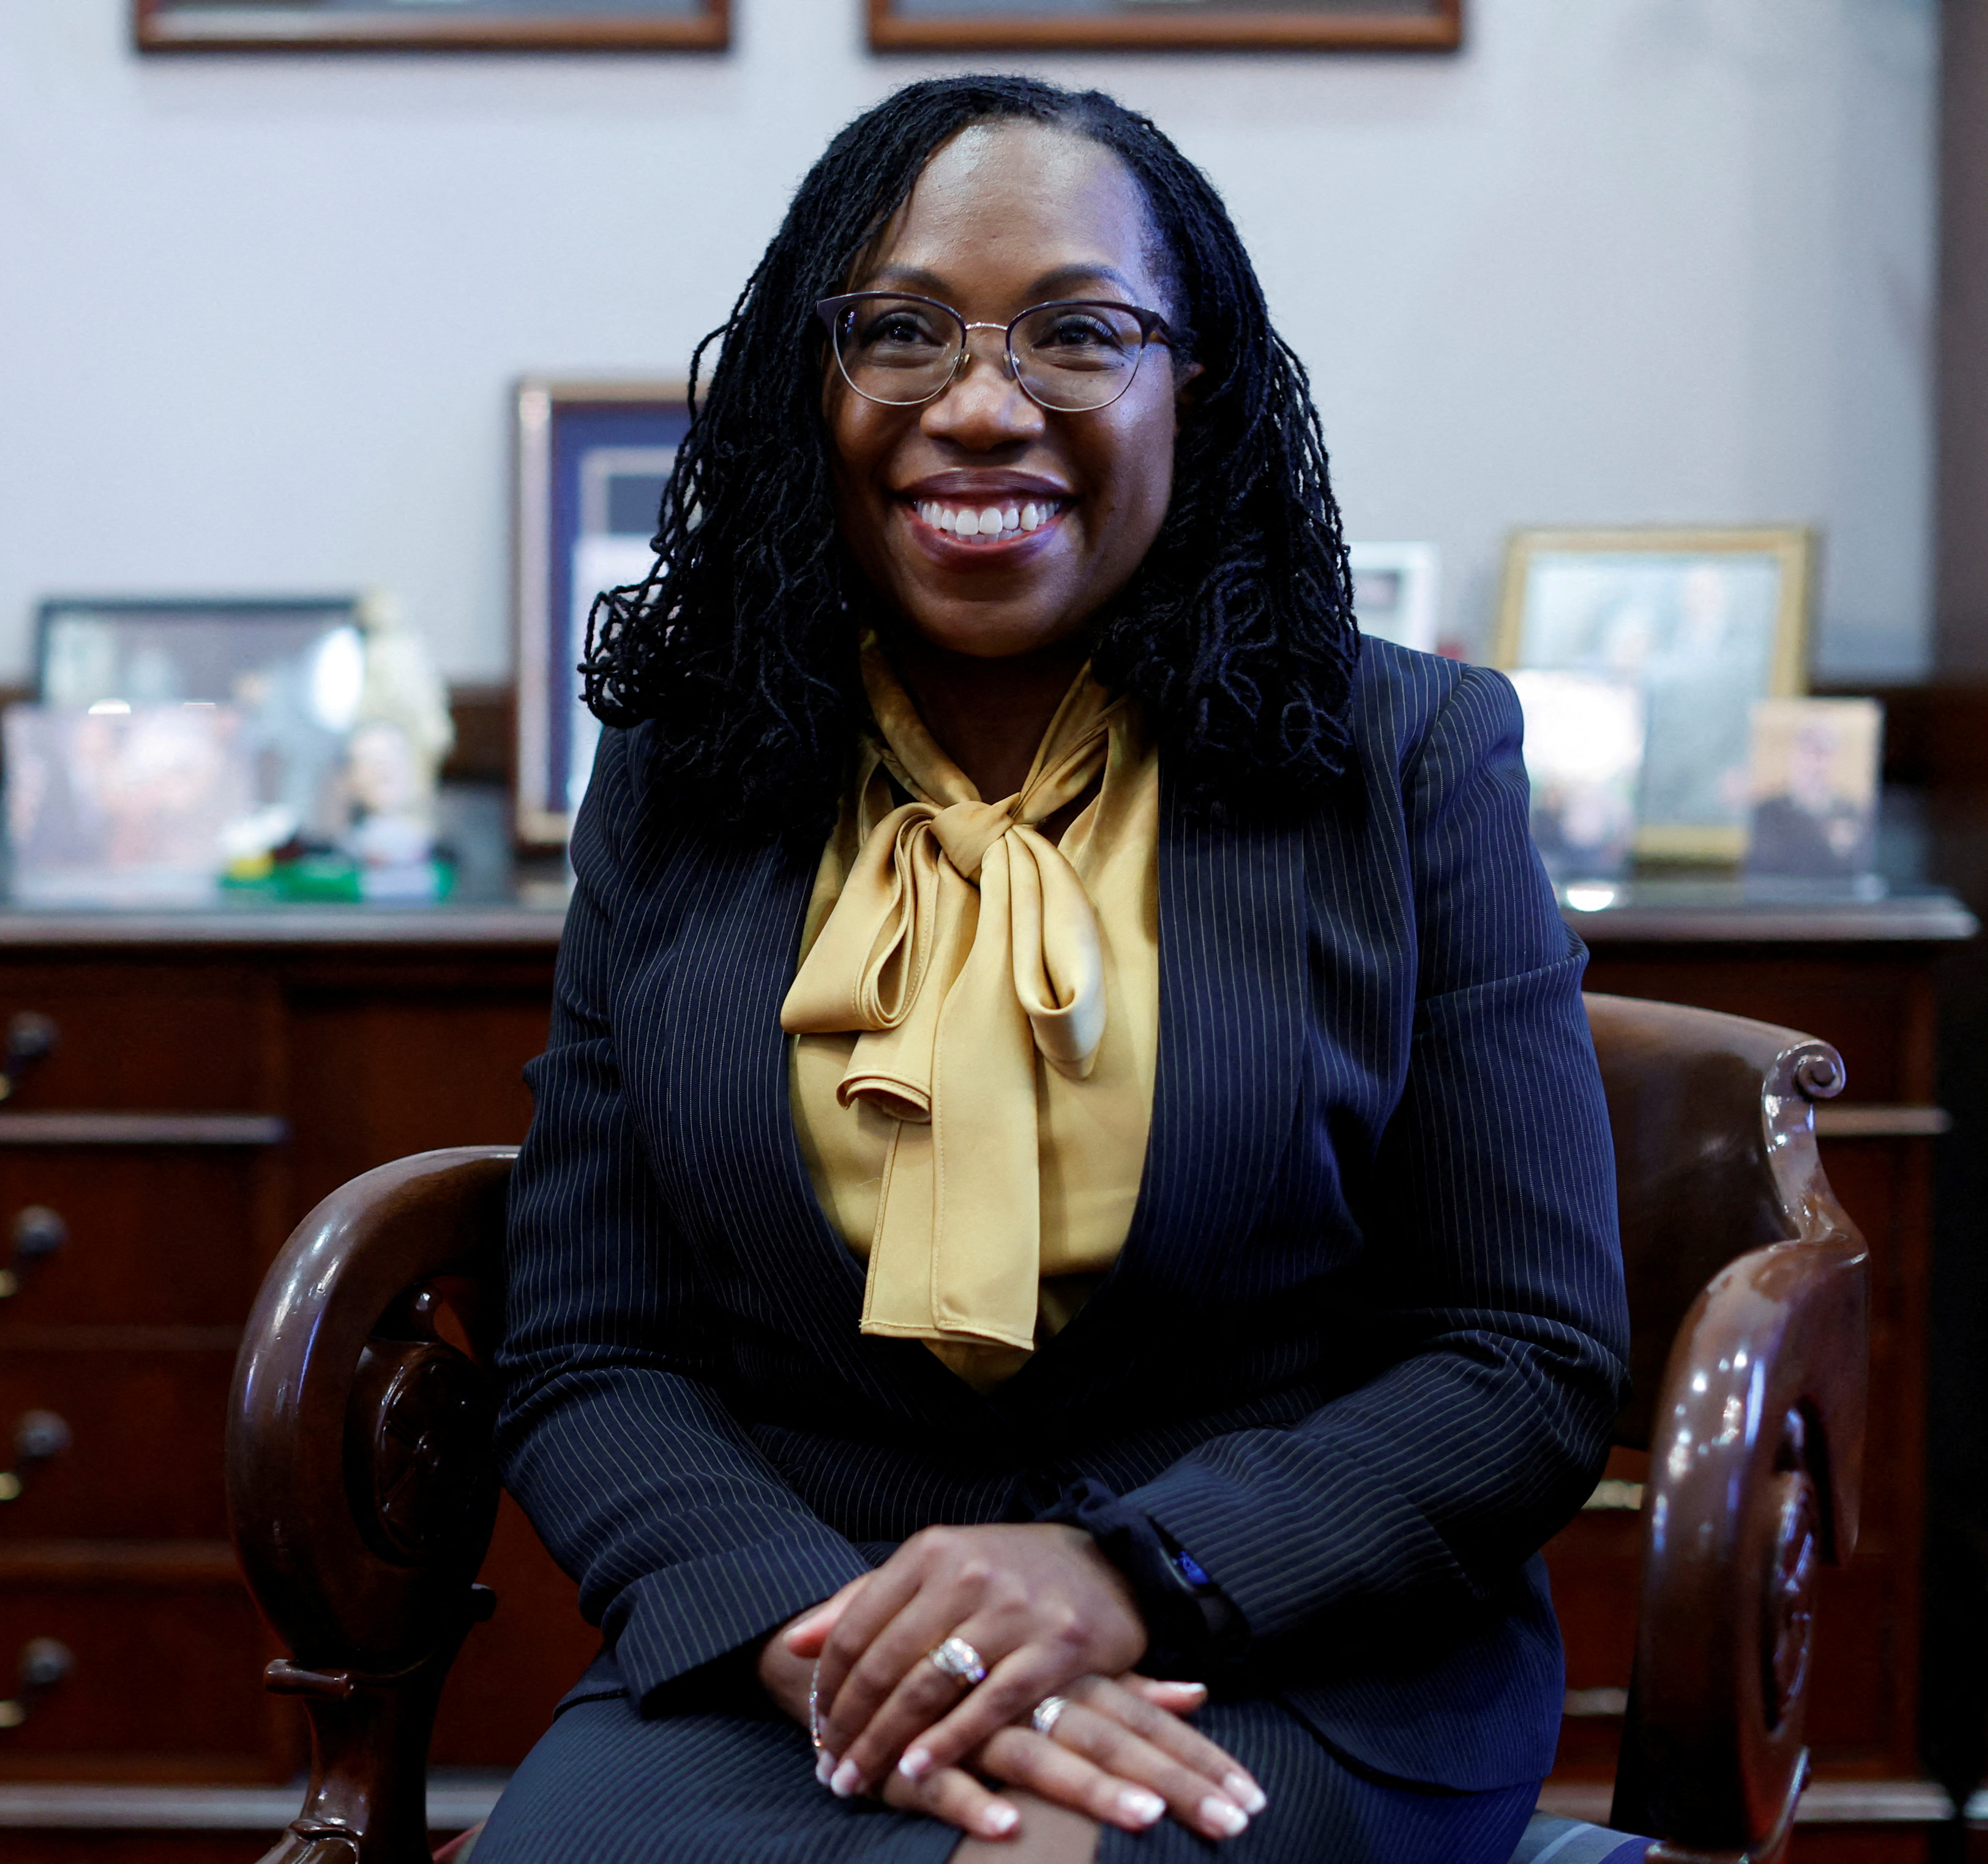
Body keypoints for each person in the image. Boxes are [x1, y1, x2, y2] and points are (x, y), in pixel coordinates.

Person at [475, 75, 1627, 1864]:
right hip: (797, 1642)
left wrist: (1120, 1576)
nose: (984, 406)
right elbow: (588, 1340)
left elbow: (1520, 1351)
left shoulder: (1401, 755)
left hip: (1280, 1647)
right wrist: (824, 1635)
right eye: (903, 333)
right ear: (812, 378)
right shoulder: (684, 774)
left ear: (1199, 387)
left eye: (1079, 334)